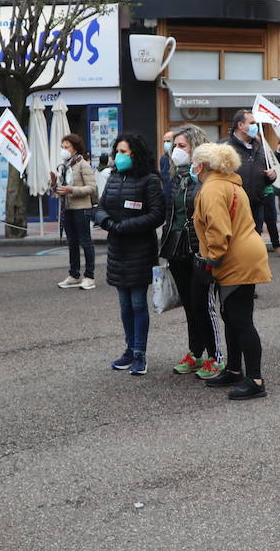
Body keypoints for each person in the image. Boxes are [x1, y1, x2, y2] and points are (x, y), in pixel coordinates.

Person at [192, 142, 271, 400]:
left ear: (201, 166)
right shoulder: (230, 184)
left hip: (235, 258)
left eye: (194, 163)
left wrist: (211, 260)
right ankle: (235, 369)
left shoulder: (212, 189)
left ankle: (255, 380)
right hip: (244, 253)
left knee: (240, 319)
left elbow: (219, 229)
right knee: (230, 315)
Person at [95, 134, 165, 376]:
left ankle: (139, 353)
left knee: (137, 302)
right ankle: (128, 348)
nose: (119, 156)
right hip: (117, 248)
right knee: (124, 304)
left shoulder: (150, 179)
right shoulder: (114, 177)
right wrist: (108, 224)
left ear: (136, 153)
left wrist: (126, 226)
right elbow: (101, 207)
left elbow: (157, 214)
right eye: (118, 151)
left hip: (140, 249)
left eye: (124, 151)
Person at [161, 125, 217, 376]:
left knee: (202, 304)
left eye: (182, 146)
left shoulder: (207, 178)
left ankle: (215, 356)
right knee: (188, 304)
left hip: (198, 248)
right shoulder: (175, 176)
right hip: (176, 247)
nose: (176, 151)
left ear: (196, 148)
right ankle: (195, 352)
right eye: (175, 146)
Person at [220, 110, 277, 237]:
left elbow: (267, 170)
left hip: (256, 205)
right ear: (240, 125)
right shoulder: (224, 146)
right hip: (234, 205)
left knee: (254, 242)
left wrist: (272, 176)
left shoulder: (259, 146)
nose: (255, 126)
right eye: (252, 123)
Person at [53, 133, 98, 291]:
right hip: (67, 208)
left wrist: (71, 189)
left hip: (81, 208)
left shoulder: (82, 164)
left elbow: (92, 188)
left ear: (75, 149)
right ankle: (74, 275)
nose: (64, 150)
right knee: (72, 242)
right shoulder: (64, 166)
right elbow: (60, 187)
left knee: (85, 241)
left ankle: (89, 276)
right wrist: (55, 185)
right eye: (62, 147)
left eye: (67, 147)